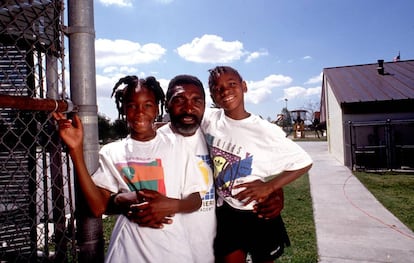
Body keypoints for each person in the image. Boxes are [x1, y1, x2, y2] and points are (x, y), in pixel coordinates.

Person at [53, 75, 206, 262]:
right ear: (123, 109)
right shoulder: (112, 152)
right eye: (132, 105)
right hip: (127, 252)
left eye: (147, 105)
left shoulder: (179, 145)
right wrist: (75, 150)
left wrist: (170, 205)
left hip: (173, 250)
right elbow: (97, 207)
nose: (140, 112)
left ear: (157, 108)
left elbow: (195, 200)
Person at [202, 66, 313, 263]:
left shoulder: (264, 130)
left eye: (232, 84)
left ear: (244, 87)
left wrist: (270, 187)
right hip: (226, 211)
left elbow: (303, 162)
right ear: (211, 95)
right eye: (217, 88)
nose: (225, 91)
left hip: (258, 211)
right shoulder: (209, 119)